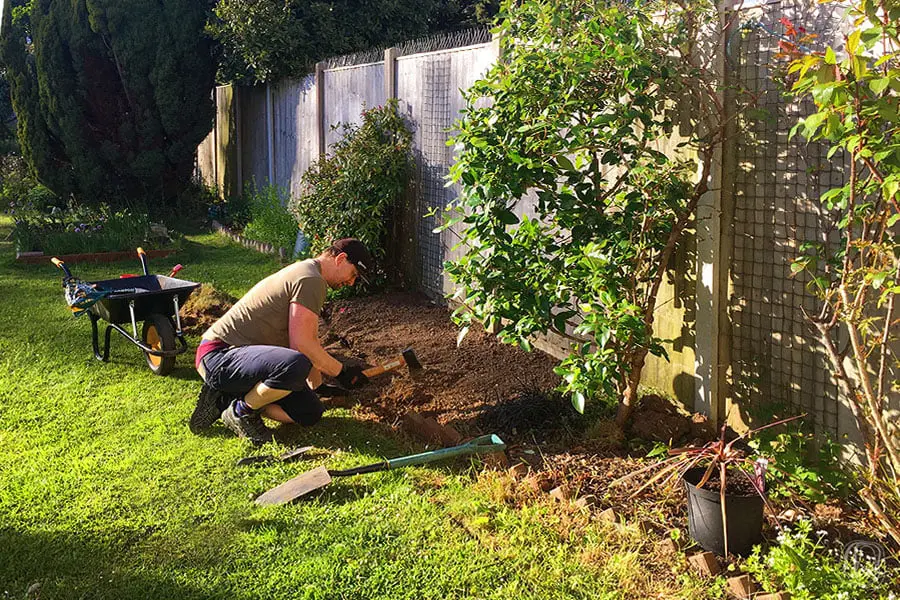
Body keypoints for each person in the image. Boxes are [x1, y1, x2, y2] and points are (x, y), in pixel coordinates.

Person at [188, 238, 372, 444]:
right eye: (354, 274)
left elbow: (309, 340)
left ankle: (228, 397)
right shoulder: (311, 280)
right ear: (341, 258)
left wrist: (318, 387)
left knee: (310, 413)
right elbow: (302, 346)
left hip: (245, 361)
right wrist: (342, 372)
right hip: (219, 355)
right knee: (294, 365)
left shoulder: (309, 273)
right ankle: (240, 411)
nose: (351, 282)